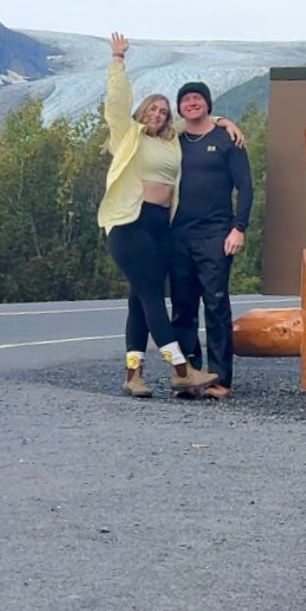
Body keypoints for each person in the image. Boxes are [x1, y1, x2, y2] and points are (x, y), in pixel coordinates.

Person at [98, 33, 243, 398]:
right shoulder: (127, 134)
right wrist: (118, 61)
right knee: (151, 295)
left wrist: (223, 119)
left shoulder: (168, 139)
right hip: (131, 222)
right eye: (153, 109)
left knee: (138, 299)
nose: (159, 115)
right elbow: (116, 105)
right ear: (142, 111)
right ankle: (181, 370)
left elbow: (197, 118)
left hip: (161, 226)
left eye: (165, 112)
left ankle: (133, 376)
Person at [169, 80, 254, 400]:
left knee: (216, 306)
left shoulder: (227, 139)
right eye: (186, 99)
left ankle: (219, 379)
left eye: (197, 98)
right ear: (180, 108)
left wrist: (239, 227)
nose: (192, 103)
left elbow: (245, 187)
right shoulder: (172, 140)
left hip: (217, 235)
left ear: (207, 103)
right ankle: (189, 377)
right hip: (177, 236)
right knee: (183, 309)